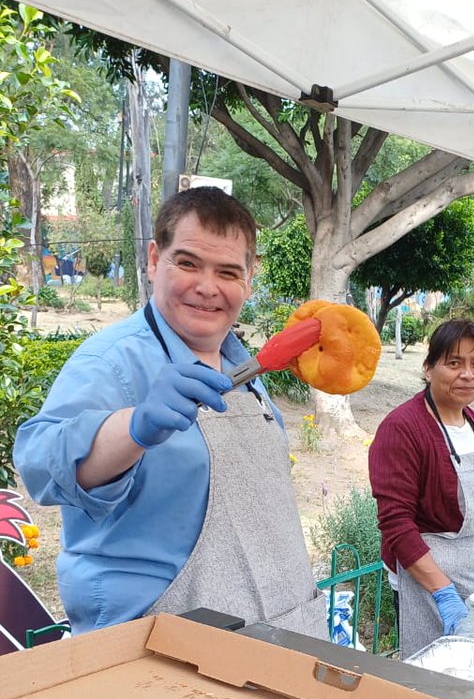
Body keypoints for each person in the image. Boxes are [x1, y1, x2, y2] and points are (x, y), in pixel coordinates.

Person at [13, 187, 328, 639]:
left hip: (274, 633)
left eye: (227, 272)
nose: (207, 287)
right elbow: (40, 465)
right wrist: (135, 426)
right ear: (155, 259)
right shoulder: (110, 362)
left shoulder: (248, 370)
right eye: (188, 263)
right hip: (156, 644)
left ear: (249, 279)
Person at [368, 318, 474, 660]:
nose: (468, 374)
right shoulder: (402, 428)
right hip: (434, 590)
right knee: (437, 686)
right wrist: (444, 594)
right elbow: (396, 524)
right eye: (454, 363)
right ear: (428, 368)